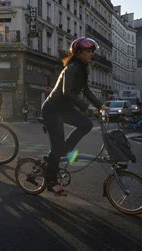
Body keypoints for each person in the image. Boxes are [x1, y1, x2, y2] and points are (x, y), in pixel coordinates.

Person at [41, 37, 102, 196]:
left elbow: (86, 91)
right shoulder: (71, 68)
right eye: (88, 51)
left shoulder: (83, 68)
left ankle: (65, 150)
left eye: (92, 52)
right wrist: (87, 107)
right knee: (57, 148)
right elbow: (66, 92)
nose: (91, 54)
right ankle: (51, 181)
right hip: (52, 110)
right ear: (79, 53)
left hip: (65, 109)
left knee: (87, 125)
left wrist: (101, 106)